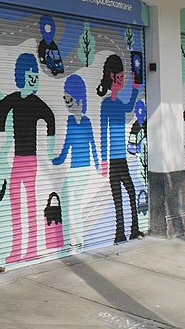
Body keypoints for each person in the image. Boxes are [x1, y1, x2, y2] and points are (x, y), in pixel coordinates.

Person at [0, 53, 55, 263]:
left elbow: (50, 117)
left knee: (29, 203)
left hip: (30, 160)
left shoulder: (36, 103)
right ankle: (16, 248)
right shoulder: (14, 99)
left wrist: (50, 145)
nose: (34, 80)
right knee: (15, 203)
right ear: (21, 76)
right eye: (31, 76)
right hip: (17, 160)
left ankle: (31, 248)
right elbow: (2, 108)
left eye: (36, 76)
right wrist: (1, 133)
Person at [97, 54, 142, 243]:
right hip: (114, 161)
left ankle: (132, 230)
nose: (122, 80)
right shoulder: (106, 104)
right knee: (120, 197)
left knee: (129, 193)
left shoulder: (118, 103)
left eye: (123, 77)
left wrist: (135, 87)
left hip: (121, 159)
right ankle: (121, 232)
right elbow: (103, 133)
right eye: (120, 77)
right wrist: (104, 161)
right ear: (112, 77)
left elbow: (130, 107)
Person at [52, 74, 98, 249]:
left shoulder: (87, 122)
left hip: (84, 169)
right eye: (65, 99)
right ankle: (72, 239)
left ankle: (77, 240)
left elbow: (92, 143)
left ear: (79, 99)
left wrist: (98, 164)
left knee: (75, 204)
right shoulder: (70, 121)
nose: (67, 103)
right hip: (73, 169)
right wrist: (59, 159)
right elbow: (67, 143)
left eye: (69, 99)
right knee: (67, 201)